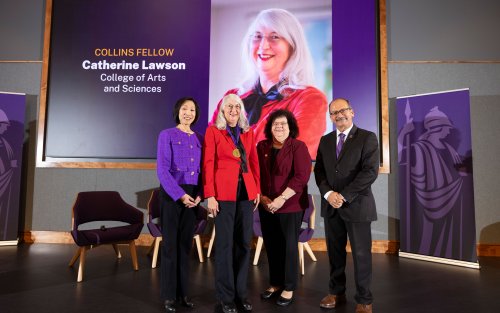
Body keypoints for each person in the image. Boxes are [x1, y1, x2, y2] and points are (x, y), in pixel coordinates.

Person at [210, 8, 327, 159]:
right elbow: (210, 149)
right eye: (257, 36)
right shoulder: (232, 96)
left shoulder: (309, 99)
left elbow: (286, 157)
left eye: (275, 37)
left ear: (293, 47)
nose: (263, 46)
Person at [314, 98, 379, 313]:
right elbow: (320, 172)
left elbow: (369, 172)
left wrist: (343, 195)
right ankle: (336, 292)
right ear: (330, 117)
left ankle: (364, 299)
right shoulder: (324, 141)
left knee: (361, 254)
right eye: (334, 113)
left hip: (357, 205)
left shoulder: (367, 138)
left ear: (352, 112)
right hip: (331, 205)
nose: (338, 115)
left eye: (342, 110)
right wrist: (329, 194)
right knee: (334, 253)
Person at [203, 94, 261, 313]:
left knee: (244, 245)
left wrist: (257, 190)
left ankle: (241, 294)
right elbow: (208, 163)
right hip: (223, 195)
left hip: (246, 194)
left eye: (238, 106)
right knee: (225, 246)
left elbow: (253, 162)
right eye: (230, 106)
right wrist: (210, 194)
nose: (234, 110)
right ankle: (225, 297)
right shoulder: (213, 131)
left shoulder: (248, 132)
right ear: (222, 110)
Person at [398, 106, 471, 259]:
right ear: (437, 128)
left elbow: (458, 170)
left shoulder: (450, 149)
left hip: (454, 204)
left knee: (448, 242)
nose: (449, 132)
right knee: (430, 239)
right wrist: (403, 133)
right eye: (446, 128)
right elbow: (401, 160)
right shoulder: (419, 148)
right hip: (427, 205)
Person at [256, 109, 311, 307]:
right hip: (266, 205)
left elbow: (301, 177)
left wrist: (280, 199)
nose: (279, 127)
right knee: (272, 245)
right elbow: (257, 175)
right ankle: (276, 282)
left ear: (291, 127)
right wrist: (262, 197)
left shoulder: (298, 146)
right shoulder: (262, 146)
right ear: (269, 127)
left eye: (283, 124)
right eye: (275, 124)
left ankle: (289, 286)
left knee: (288, 247)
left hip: (290, 205)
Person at [156, 97, 203, 313]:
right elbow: (162, 170)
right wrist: (181, 195)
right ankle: (169, 296)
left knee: (185, 247)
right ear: (178, 111)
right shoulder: (167, 135)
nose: (188, 113)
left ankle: (183, 293)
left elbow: (204, 171)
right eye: (185, 109)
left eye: (192, 110)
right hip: (173, 195)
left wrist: (201, 195)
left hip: (193, 197)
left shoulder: (199, 138)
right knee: (170, 247)